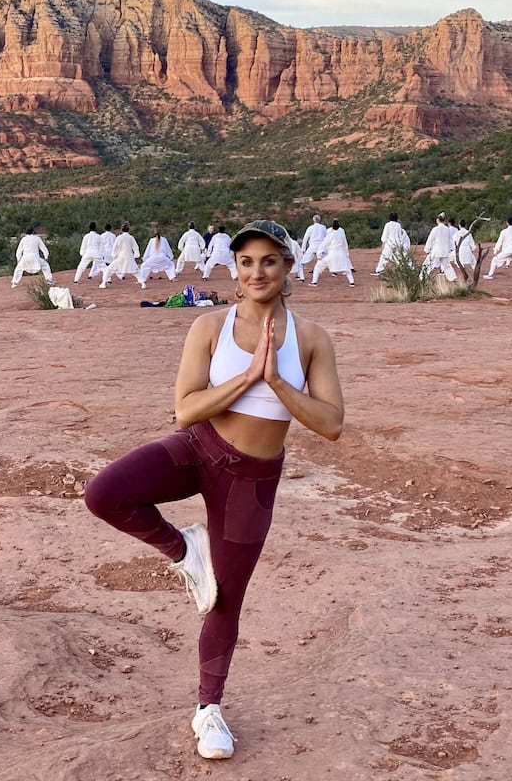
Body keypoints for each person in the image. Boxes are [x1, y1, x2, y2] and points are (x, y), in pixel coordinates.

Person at [85, 220, 344, 760]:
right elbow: (185, 409)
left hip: (251, 478)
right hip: (197, 449)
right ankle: (186, 550)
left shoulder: (312, 339)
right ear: (235, 268)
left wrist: (276, 382)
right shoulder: (208, 326)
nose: (257, 271)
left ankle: (208, 712)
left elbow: (331, 423)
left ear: (288, 267)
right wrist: (246, 377)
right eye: (247, 261)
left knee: (225, 600)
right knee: (105, 493)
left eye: (269, 261)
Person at [310, 219, 354, 287]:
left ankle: (314, 282)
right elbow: (345, 244)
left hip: (332, 254)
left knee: (318, 267)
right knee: (347, 268)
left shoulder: (330, 233)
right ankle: (352, 282)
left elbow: (324, 244)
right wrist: (347, 254)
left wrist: (319, 254)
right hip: (341, 254)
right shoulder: (341, 233)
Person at [99, 223, 140, 287]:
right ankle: (143, 283)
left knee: (109, 270)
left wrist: (114, 255)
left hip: (120, 256)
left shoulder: (119, 237)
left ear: (121, 230)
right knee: (136, 271)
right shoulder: (131, 237)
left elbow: (115, 247)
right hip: (129, 257)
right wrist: (136, 255)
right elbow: (135, 247)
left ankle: (103, 283)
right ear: (128, 230)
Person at [423, 213, 457, 282]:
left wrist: (427, 249)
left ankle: (422, 278)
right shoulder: (447, 229)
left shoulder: (435, 229)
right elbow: (450, 240)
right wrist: (451, 249)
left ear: (438, 220)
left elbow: (430, 239)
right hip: (445, 251)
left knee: (427, 265)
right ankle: (453, 278)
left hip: (436, 251)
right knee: (447, 266)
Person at [296, 215, 327, 281]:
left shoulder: (310, 228)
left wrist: (303, 249)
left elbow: (305, 238)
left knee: (301, 263)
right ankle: (335, 271)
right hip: (321, 247)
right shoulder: (323, 227)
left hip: (312, 247)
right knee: (325, 261)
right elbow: (326, 238)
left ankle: (302, 278)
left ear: (313, 220)